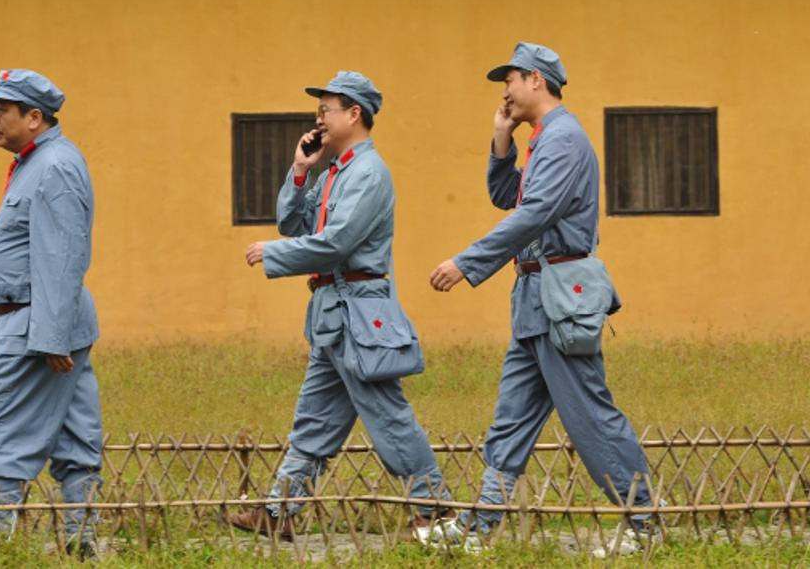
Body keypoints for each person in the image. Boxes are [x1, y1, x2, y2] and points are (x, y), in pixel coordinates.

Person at [428, 43, 655, 556]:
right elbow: (510, 196)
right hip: (536, 297)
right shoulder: (543, 140)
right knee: (511, 417)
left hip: (560, 297)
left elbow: (534, 214)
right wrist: (501, 140)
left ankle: (644, 524)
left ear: (534, 79)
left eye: (508, 80)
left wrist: (468, 263)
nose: (504, 91)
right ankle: (482, 526)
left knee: (590, 416)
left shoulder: (564, 139)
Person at [234, 71, 457, 544]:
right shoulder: (336, 172)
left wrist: (272, 254)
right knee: (313, 421)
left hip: (360, 312)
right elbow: (295, 223)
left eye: (325, 110)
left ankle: (433, 510)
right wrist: (300, 172)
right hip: (335, 315)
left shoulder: (369, 174)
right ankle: (281, 511)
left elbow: (335, 244)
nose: (318, 119)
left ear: (354, 114)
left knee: (387, 415)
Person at [0, 70, 102, 555]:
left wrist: (50, 339)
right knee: (73, 433)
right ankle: (82, 543)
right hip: (38, 317)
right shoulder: (34, 161)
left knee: (3, 432)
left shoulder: (54, 165)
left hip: (39, 325)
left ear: (34, 118)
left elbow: (61, 256)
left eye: (4, 110)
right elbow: (17, 241)